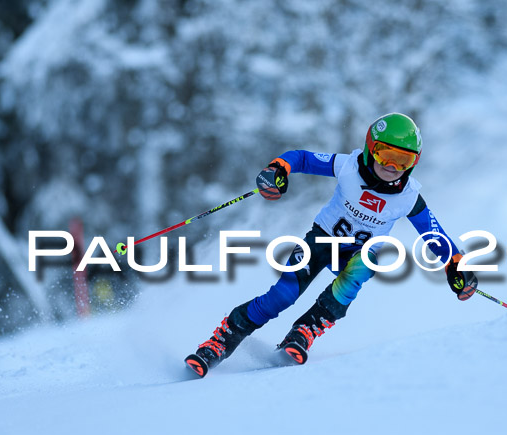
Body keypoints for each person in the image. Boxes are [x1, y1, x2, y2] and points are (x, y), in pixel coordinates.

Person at [187, 113, 477, 374]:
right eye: (385, 154)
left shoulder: (409, 197)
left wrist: (456, 266)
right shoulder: (348, 167)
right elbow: (300, 158)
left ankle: (304, 330)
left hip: (360, 252)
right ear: (370, 148)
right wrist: (279, 169)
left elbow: (434, 235)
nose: (392, 166)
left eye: (404, 160)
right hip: (322, 239)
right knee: (283, 296)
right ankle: (222, 340)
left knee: (362, 268)